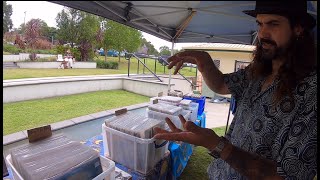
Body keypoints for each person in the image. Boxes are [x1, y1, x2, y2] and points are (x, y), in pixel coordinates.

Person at [153, 1, 317, 180]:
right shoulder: (257, 71)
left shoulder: (311, 90)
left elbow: (287, 176)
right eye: (260, 24)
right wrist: (206, 63)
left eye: (273, 24)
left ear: (298, 28)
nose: (262, 34)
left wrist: (217, 145)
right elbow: (222, 85)